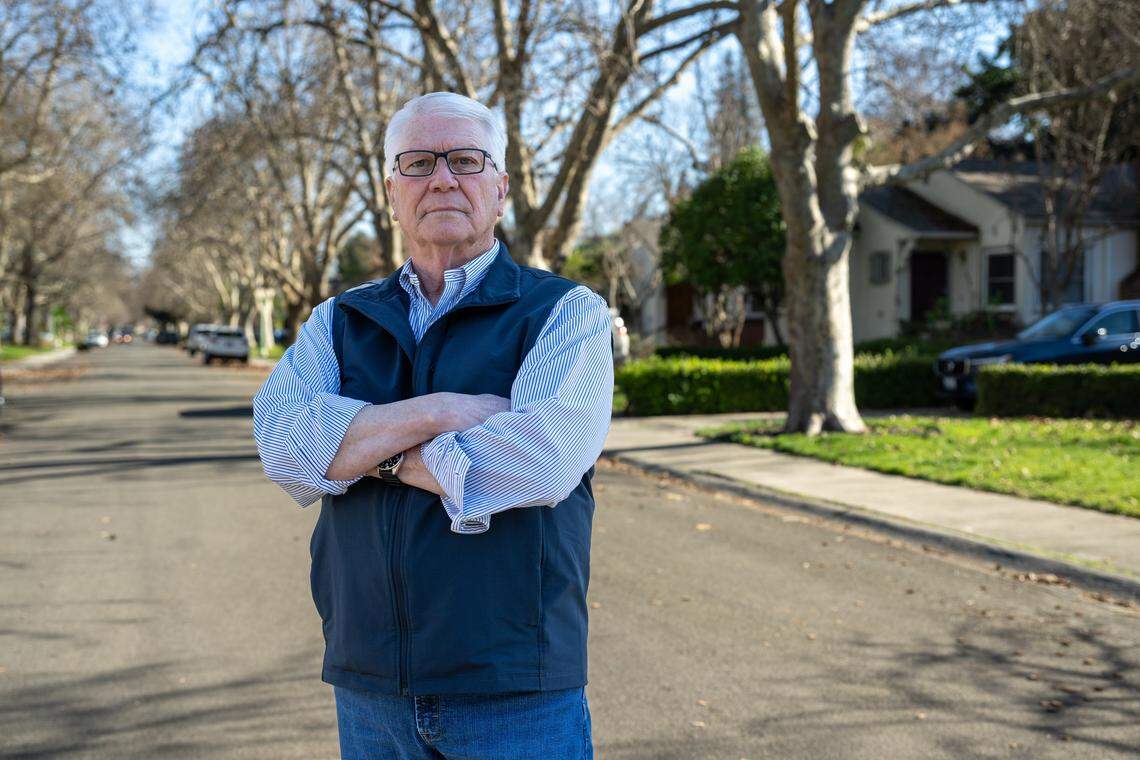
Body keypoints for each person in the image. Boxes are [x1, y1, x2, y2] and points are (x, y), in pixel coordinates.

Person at [252, 91, 613, 759]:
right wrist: (441, 413)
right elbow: (282, 445)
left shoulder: (565, 312)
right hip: (370, 685)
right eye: (418, 162)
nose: (442, 177)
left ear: (500, 188)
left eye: (466, 160)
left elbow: (541, 462)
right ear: (391, 191)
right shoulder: (339, 321)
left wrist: (361, 447)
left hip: (515, 687)